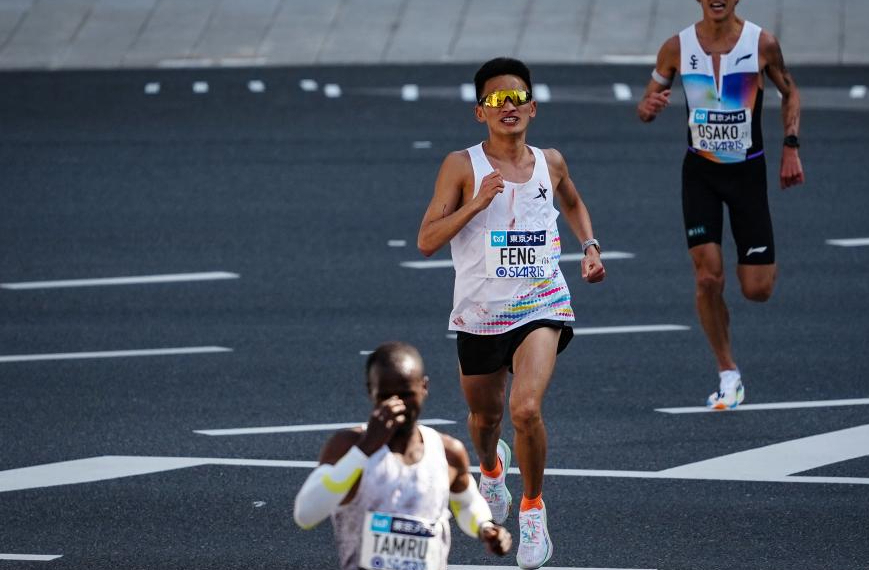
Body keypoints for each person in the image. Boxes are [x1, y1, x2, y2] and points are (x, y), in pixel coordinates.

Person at [416, 57, 606, 569]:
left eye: (517, 97)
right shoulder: (461, 166)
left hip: (542, 301)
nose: (509, 106)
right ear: (480, 112)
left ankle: (533, 510)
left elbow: (572, 203)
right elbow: (427, 240)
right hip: (480, 312)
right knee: (486, 418)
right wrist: (476, 204)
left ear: (533, 107)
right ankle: (491, 468)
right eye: (497, 99)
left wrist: (589, 246)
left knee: (524, 410)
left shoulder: (551, 162)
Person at [637, 0, 804, 410]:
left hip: (748, 175)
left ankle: (751, 276)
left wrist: (791, 147)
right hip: (700, 175)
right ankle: (728, 372)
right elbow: (646, 105)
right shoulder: (676, 47)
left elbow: (790, 92)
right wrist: (648, 108)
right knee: (708, 278)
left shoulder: (762, 44)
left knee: (757, 289)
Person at [293, 341, 512, 570]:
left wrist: (485, 527)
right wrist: (364, 449)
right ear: (371, 391)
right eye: (385, 396)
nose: (396, 405)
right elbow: (305, 515)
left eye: (406, 394)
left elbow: (466, 503)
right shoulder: (347, 446)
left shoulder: (447, 452)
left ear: (424, 387)